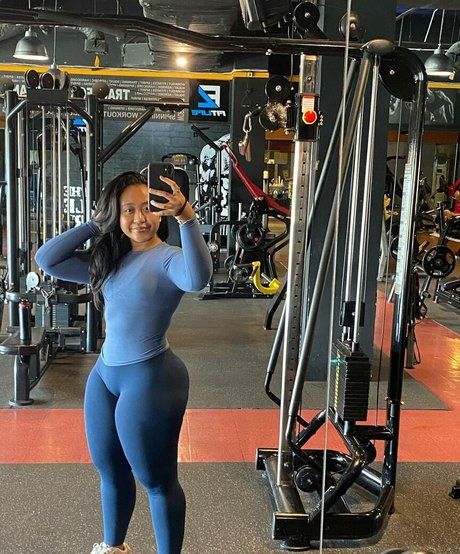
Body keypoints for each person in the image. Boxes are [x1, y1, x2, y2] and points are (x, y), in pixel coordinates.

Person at [35, 171, 213, 554]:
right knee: (111, 470)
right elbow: (47, 259)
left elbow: (198, 278)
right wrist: (93, 224)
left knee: (157, 481)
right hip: (105, 376)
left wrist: (186, 216)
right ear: (115, 215)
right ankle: (113, 547)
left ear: (161, 211)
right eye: (128, 210)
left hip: (151, 378)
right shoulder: (108, 261)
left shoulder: (167, 258)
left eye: (147, 208)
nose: (139, 218)